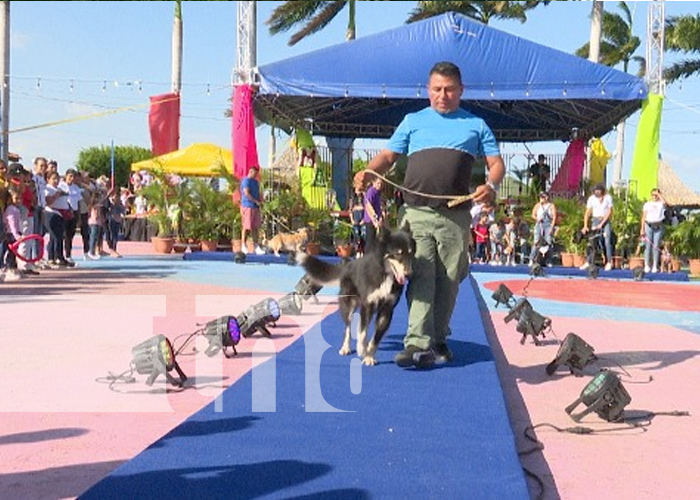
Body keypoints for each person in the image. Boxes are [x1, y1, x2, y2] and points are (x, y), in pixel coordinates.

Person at [354, 61, 505, 368]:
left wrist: (491, 185)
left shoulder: (476, 125)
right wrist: (368, 172)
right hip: (415, 214)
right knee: (421, 275)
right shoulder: (412, 121)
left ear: (461, 91)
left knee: (449, 279)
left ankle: (437, 339)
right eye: (437, 89)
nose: (443, 95)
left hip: (456, 217)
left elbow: (497, 164)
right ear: (428, 90)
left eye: (449, 89)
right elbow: (387, 155)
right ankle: (416, 343)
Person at [581, 183, 614, 271]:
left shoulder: (608, 198)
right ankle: (589, 261)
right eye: (595, 191)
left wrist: (602, 224)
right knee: (592, 242)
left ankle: (609, 262)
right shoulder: (591, 199)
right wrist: (585, 225)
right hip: (595, 220)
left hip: (605, 221)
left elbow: (610, 211)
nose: (597, 192)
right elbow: (587, 212)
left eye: (598, 190)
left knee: (607, 241)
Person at [640, 187, 667, 274]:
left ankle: (655, 265)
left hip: (658, 226)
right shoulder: (647, 204)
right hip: (649, 225)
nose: (654, 196)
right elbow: (643, 217)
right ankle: (647, 265)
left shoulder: (661, 204)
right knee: (648, 246)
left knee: (656, 246)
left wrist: (659, 194)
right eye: (653, 195)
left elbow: (665, 203)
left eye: (656, 195)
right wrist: (642, 229)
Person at [240, 166, 265, 255]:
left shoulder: (256, 182)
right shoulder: (246, 181)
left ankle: (256, 246)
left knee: (255, 227)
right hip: (247, 206)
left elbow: (258, 193)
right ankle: (243, 246)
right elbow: (246, 193)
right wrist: (255, 201)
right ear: (251, 172)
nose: (256, 175)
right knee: (246, 227)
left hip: (256, 207)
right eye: (255, 173)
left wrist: (261, 200)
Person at [529, 191, 557, 267]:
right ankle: (532, 259)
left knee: (548, 242)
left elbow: (554, 217)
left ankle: (548, 260)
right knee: (536, 241)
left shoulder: (551, 206)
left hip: (548, 224)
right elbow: (533, 215)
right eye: (540, 197)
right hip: (539, 224)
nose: (541, 199)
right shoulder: (538, 205)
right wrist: (537, 218)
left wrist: (552, 227)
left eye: (543, 197)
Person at [362, 176, 384, 253]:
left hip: (376, 220)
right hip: (370, 220)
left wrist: (380, 218)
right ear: (373, 183)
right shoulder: (371, 192)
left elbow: (379, 207)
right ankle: (367, 258)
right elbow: (368, 206)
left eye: (381, 184)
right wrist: (374, 219)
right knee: (370, 241)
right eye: (378, 183)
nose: (379, 185)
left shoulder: (378, 193)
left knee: (375, 241)